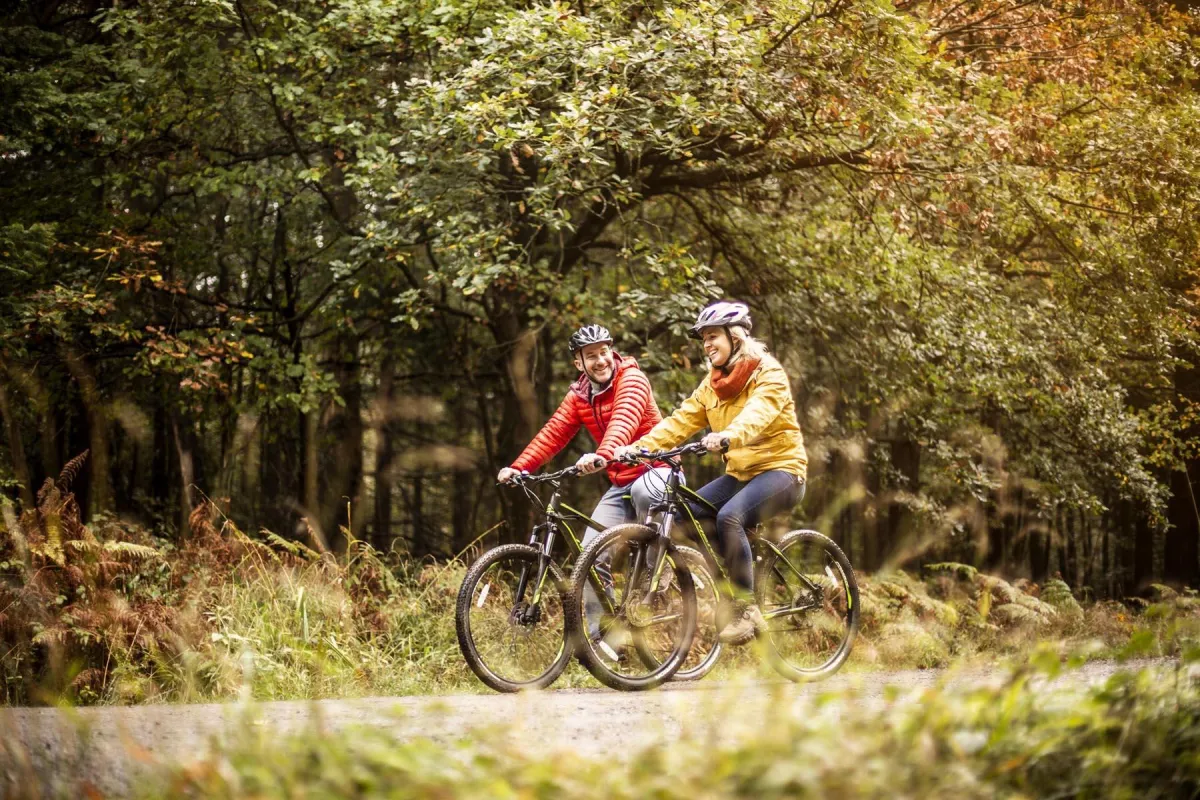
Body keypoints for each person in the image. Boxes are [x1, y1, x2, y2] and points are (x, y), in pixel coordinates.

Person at [615, 301, 807, 645]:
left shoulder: (768, 373)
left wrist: (729, 435)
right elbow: (680, 421)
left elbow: (759, 413)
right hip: (741, 475)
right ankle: (729, 581)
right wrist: (639, 447)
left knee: (729, 517)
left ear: (736, 337)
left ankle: (746, 608)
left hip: (782, 470)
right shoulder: (712, 384)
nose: (706, 344)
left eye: (713, 336)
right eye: (703, 338)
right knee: (683, 517)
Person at [497, 324, 670, 652]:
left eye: (604, 352)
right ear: (579, 363)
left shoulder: (632, 379)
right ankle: (607, 641)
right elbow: (553, 433)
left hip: (656, 470)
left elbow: (624, 420)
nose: (601, 360)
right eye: (591, 356)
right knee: (590, 554)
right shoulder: (579, 395)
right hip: (620, 481)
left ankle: (655, 574)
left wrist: (603, 454)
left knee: (644, 493)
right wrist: (519, 468)